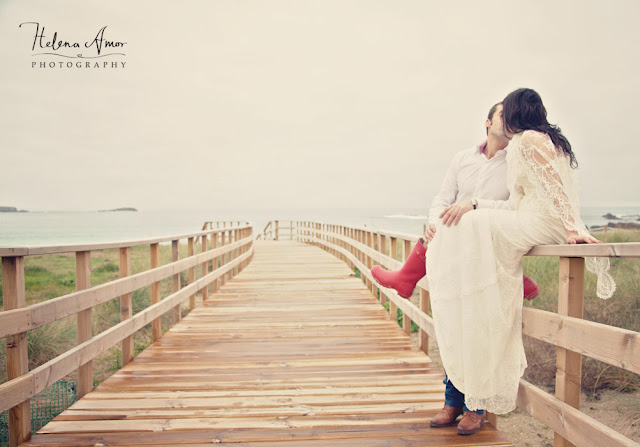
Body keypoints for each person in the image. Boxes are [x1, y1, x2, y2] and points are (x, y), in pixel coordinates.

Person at [423, 88, 615, 435]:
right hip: (531, 218)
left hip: (536, 220)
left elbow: (554, 186)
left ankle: (473, 403)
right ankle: (456, 398)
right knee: (464, 231)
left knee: (470, 225)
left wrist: (572, 228)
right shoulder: (540, 140)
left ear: (512, 113)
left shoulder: (527, 141)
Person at [371, 102, 539, 302]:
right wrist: (434, 224)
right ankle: (516, 281)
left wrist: (475, 205)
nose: (508, 118)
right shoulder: (463, 158)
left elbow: (515, 206)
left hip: (490, 231)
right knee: (447, 232)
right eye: (503, 114)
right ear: (488, 121)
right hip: (454, 231)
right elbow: (443, 198)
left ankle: (405, 279)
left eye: (512, 115)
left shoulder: (515, 162)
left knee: (469, 226)